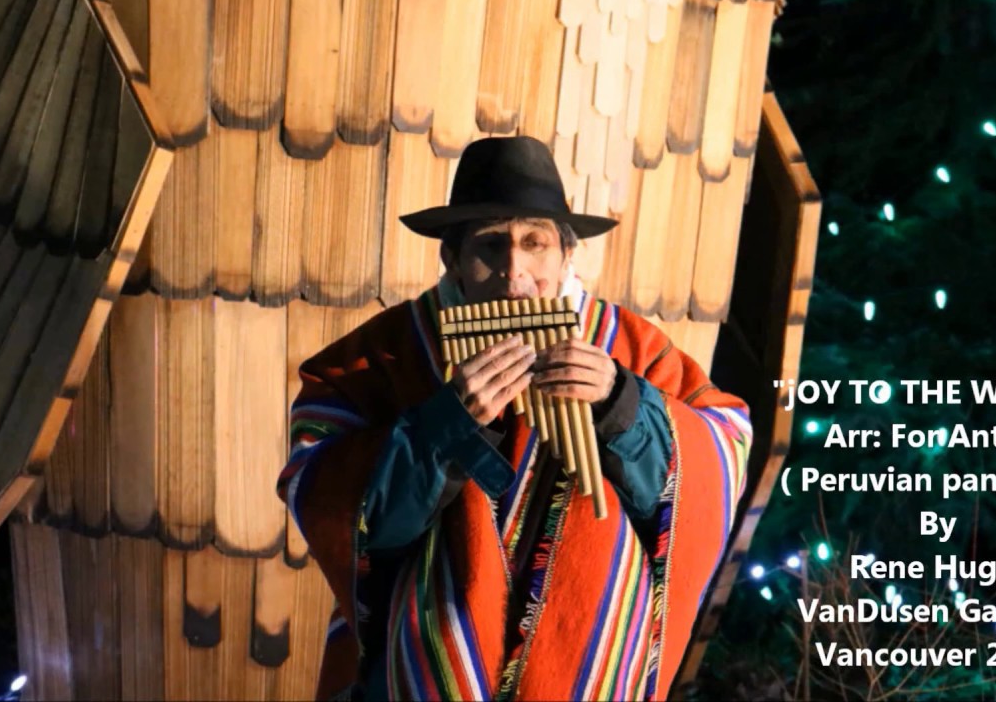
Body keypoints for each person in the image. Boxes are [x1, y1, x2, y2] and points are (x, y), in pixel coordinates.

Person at [278, 136, 752, 701]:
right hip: (422, 671)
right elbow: (319, 490)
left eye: (535, 243)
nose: (514, 272)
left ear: (567, 256)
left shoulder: (633, 349)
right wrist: (440, 429)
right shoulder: (378, 359)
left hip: (584, 666)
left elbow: (724, 453)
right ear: (450, 258)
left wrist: (623, 406)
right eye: (490, 245)